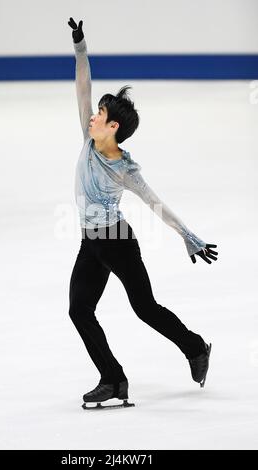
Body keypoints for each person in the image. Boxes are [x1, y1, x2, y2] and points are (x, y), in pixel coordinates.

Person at [67, 17, 218, 409]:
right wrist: (80, 46)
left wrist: (189, 235)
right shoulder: (88, 138)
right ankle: (114, 380)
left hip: (116, 241)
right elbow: (82, 84)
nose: (91, 115)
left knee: (144, 308)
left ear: (112, 125)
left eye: (99, 114)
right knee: (79, 310)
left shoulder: (124, 169)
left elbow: (156, 203)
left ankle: (196, 346)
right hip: (90, 241)